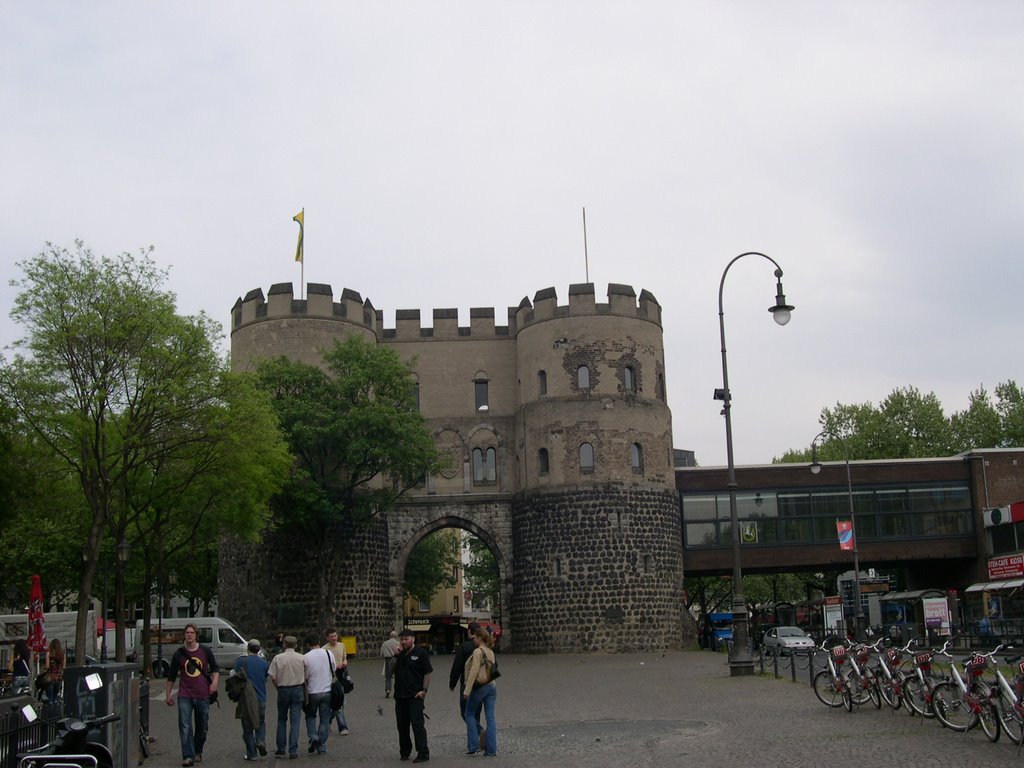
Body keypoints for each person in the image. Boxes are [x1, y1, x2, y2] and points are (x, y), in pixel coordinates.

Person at [164, 623, 220, 768]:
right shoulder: (179, 654)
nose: (189, 635)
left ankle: (198, 751)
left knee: (203, 726)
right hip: (185, 695)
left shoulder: (205, 651)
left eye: (192, 633)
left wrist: (214, 683)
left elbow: (215, 668)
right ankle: (188, 756)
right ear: (184, 635)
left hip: (203, 694)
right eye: (187, 633)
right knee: (185, 726)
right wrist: (168, 694)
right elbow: (171, 676)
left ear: (196, 635)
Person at [393, 629, 432, 763]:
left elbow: (427, 673)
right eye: (402, 639)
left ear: (413, 639)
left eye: (406, 639)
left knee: (417, 725)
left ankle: (423, 752)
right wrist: (395, 656)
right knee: (402, 726)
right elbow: (389, 671)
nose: (404, 642)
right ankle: (405, 751)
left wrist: (424, 690)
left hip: (415, 695)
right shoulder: (400, 654)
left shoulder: (421, 653)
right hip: (400, 695)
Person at [268, 635, 305, 759]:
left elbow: (272, 676)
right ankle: (293, 749)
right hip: (298, 689)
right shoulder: (302, 658)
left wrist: (278, 687)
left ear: (284, 645)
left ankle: (281, 748)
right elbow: (307, 675)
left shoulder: (278, 658)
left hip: (283, 689)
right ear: (296, 645)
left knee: (282, 719)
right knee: (295, 721)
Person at [462, 627, 498, 757]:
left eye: (475, 638)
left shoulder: (478, 651)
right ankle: (491, 749)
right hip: (492, 686)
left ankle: (474, 746)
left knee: (469, 714)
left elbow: (474, 671)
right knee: (490, 718)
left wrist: (467, 690)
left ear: (479, 638)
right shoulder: (490, 652)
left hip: (479, 687)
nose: (474, 640)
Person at [232, 638, 269, 762]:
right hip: (261, 698)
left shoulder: (242, 662)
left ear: (248, 649)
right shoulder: (264, 663)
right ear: (258, 650)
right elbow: (265, 678)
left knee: (247, 728)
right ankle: (260, 741)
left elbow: (233, 675)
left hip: (246, 699)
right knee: (261, 722)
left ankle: (252, 753)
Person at [303, 634, 334, 755]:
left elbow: (304, 676)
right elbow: (334, 668)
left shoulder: (305, 657)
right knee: (324, 718)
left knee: (310, 716)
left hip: (312, 691)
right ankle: (321, 744)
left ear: (308, 645)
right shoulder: (328, 653)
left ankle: (313, 737)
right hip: (326, 690)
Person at [449, 622, 482, 734]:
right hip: (481, 683)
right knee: (476, 713)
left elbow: (457, 666)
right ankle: (474, 741)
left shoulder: (464, 647)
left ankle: (479, 731)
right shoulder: (483, 646)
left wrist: (452, 683)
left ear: (469, 631)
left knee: (466, 712)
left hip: (467, 683)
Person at [324, 629, 350, 734]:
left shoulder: (342, 645)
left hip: (341, 676)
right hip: (331, 678)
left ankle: (333, 721)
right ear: (327, 637)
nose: (334, 638)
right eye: (331, 636)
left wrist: (344, 663)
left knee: (341, 702)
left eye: (335, 636)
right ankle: (342, 726)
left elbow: (345, 658)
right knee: (337, 703)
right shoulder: (324, 649)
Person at [381, 630, 401, 698]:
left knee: (388, 677)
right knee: (398, 676)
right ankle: (398, 691)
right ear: (396, 636)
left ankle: (388, 690)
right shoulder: (398, 643)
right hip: (396, 659)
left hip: (388, 660)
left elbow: (381, 653)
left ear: (390, 636)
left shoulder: (385, 643)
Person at [45, 638, 66, 702]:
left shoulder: (49, 654)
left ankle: (50, 710)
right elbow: (64, 667)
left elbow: (47, 666)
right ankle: (56, 709)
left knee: (50, 697)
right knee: (55, 697)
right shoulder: (62, 655)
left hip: (50, 677)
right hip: (59, 678)